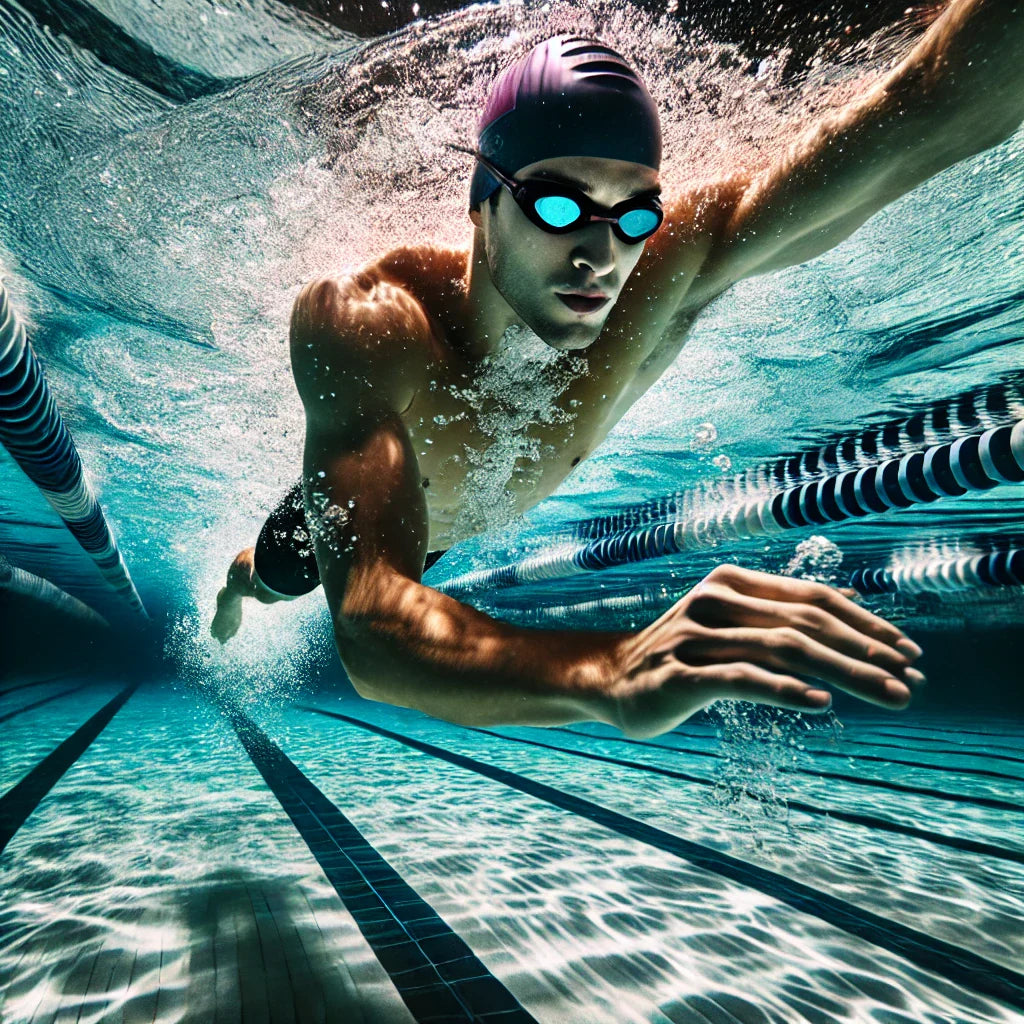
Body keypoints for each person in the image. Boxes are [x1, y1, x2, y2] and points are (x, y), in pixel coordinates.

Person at [211, 9, 1022, 737]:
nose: (601, 256)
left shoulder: (663, 276)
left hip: (432, 548)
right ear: (480, 199)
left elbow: (926, 113)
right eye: (560, 207)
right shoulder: (371, 324)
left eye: (634, 213)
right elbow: (374, 627)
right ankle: (232, 592)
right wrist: (611, 670)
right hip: (366, 524)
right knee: (275, 578)